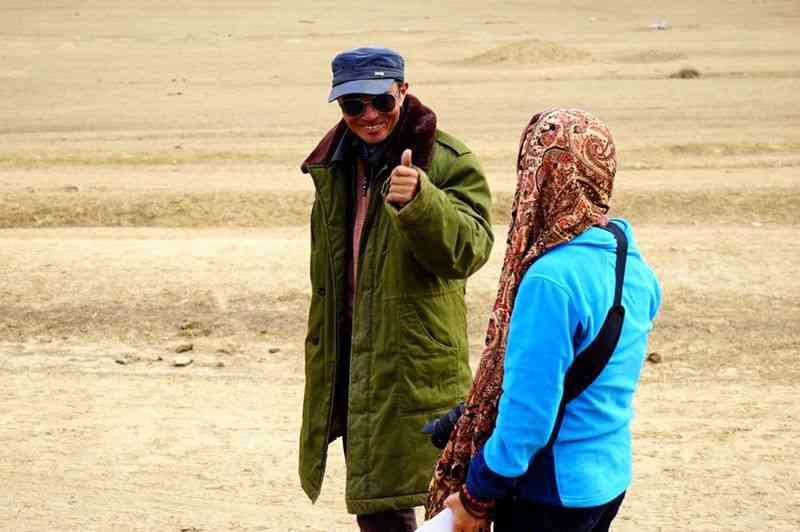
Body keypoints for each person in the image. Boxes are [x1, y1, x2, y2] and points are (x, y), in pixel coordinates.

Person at [426, 109, 662, 531]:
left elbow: (529, 417)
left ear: (544, 177)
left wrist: (476, 496)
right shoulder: (628, 258)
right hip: (607, 478)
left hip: (550, 491)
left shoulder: (550, 279)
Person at [298, 46, 494, 531]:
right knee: (377, 507)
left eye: (381, 102)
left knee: (444, 506)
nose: (369, 116)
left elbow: (472, 250)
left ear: (402, 91)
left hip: (418, 368)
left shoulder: (445, 160)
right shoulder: (334, 166)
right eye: (353, 105)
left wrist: (423, 202)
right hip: (354, 365)